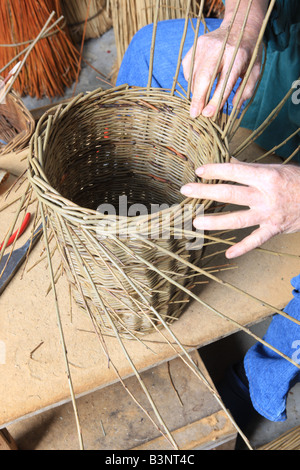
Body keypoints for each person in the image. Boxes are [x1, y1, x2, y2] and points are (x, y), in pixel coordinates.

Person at [116, 0, 300, 427]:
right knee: (151, 52)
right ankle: (143, 223)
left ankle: (255, 382)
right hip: (290, 61)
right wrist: (243, 22)